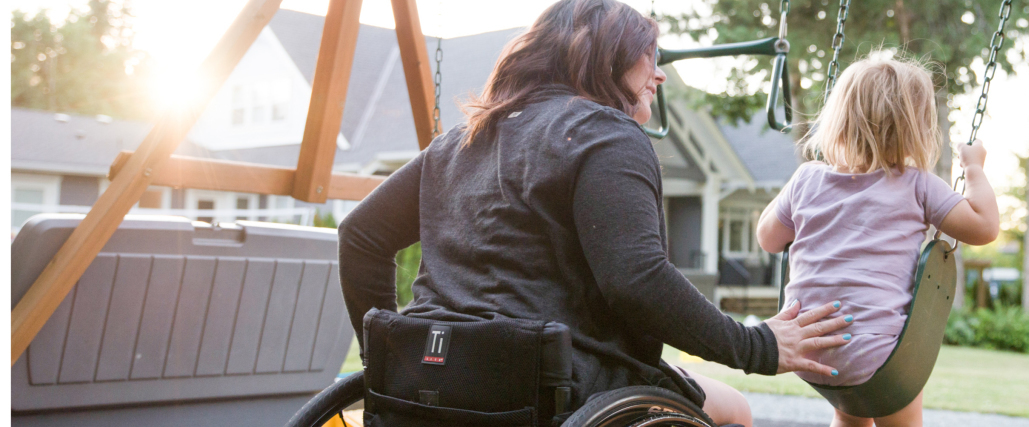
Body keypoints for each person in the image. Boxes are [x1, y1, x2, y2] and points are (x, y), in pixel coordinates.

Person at [337, 0, 852, 425]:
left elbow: (359, 235)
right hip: (548, 387)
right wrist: (755, 346)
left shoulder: (459, 142)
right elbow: (637, 280)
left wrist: (387, 356)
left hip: (434, 385)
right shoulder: (606, 134)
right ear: (605, 58)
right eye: (650, 57)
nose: (660, 76)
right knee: (735, 409)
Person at [755, 55, 1001, 427]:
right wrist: (974, 168)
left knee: (850, 411)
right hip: (875, 355)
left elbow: (768, 239)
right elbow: (984, 227)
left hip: (808, 350)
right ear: (917, 128)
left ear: (838, 120)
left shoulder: (807, 179)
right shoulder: (916, 184)